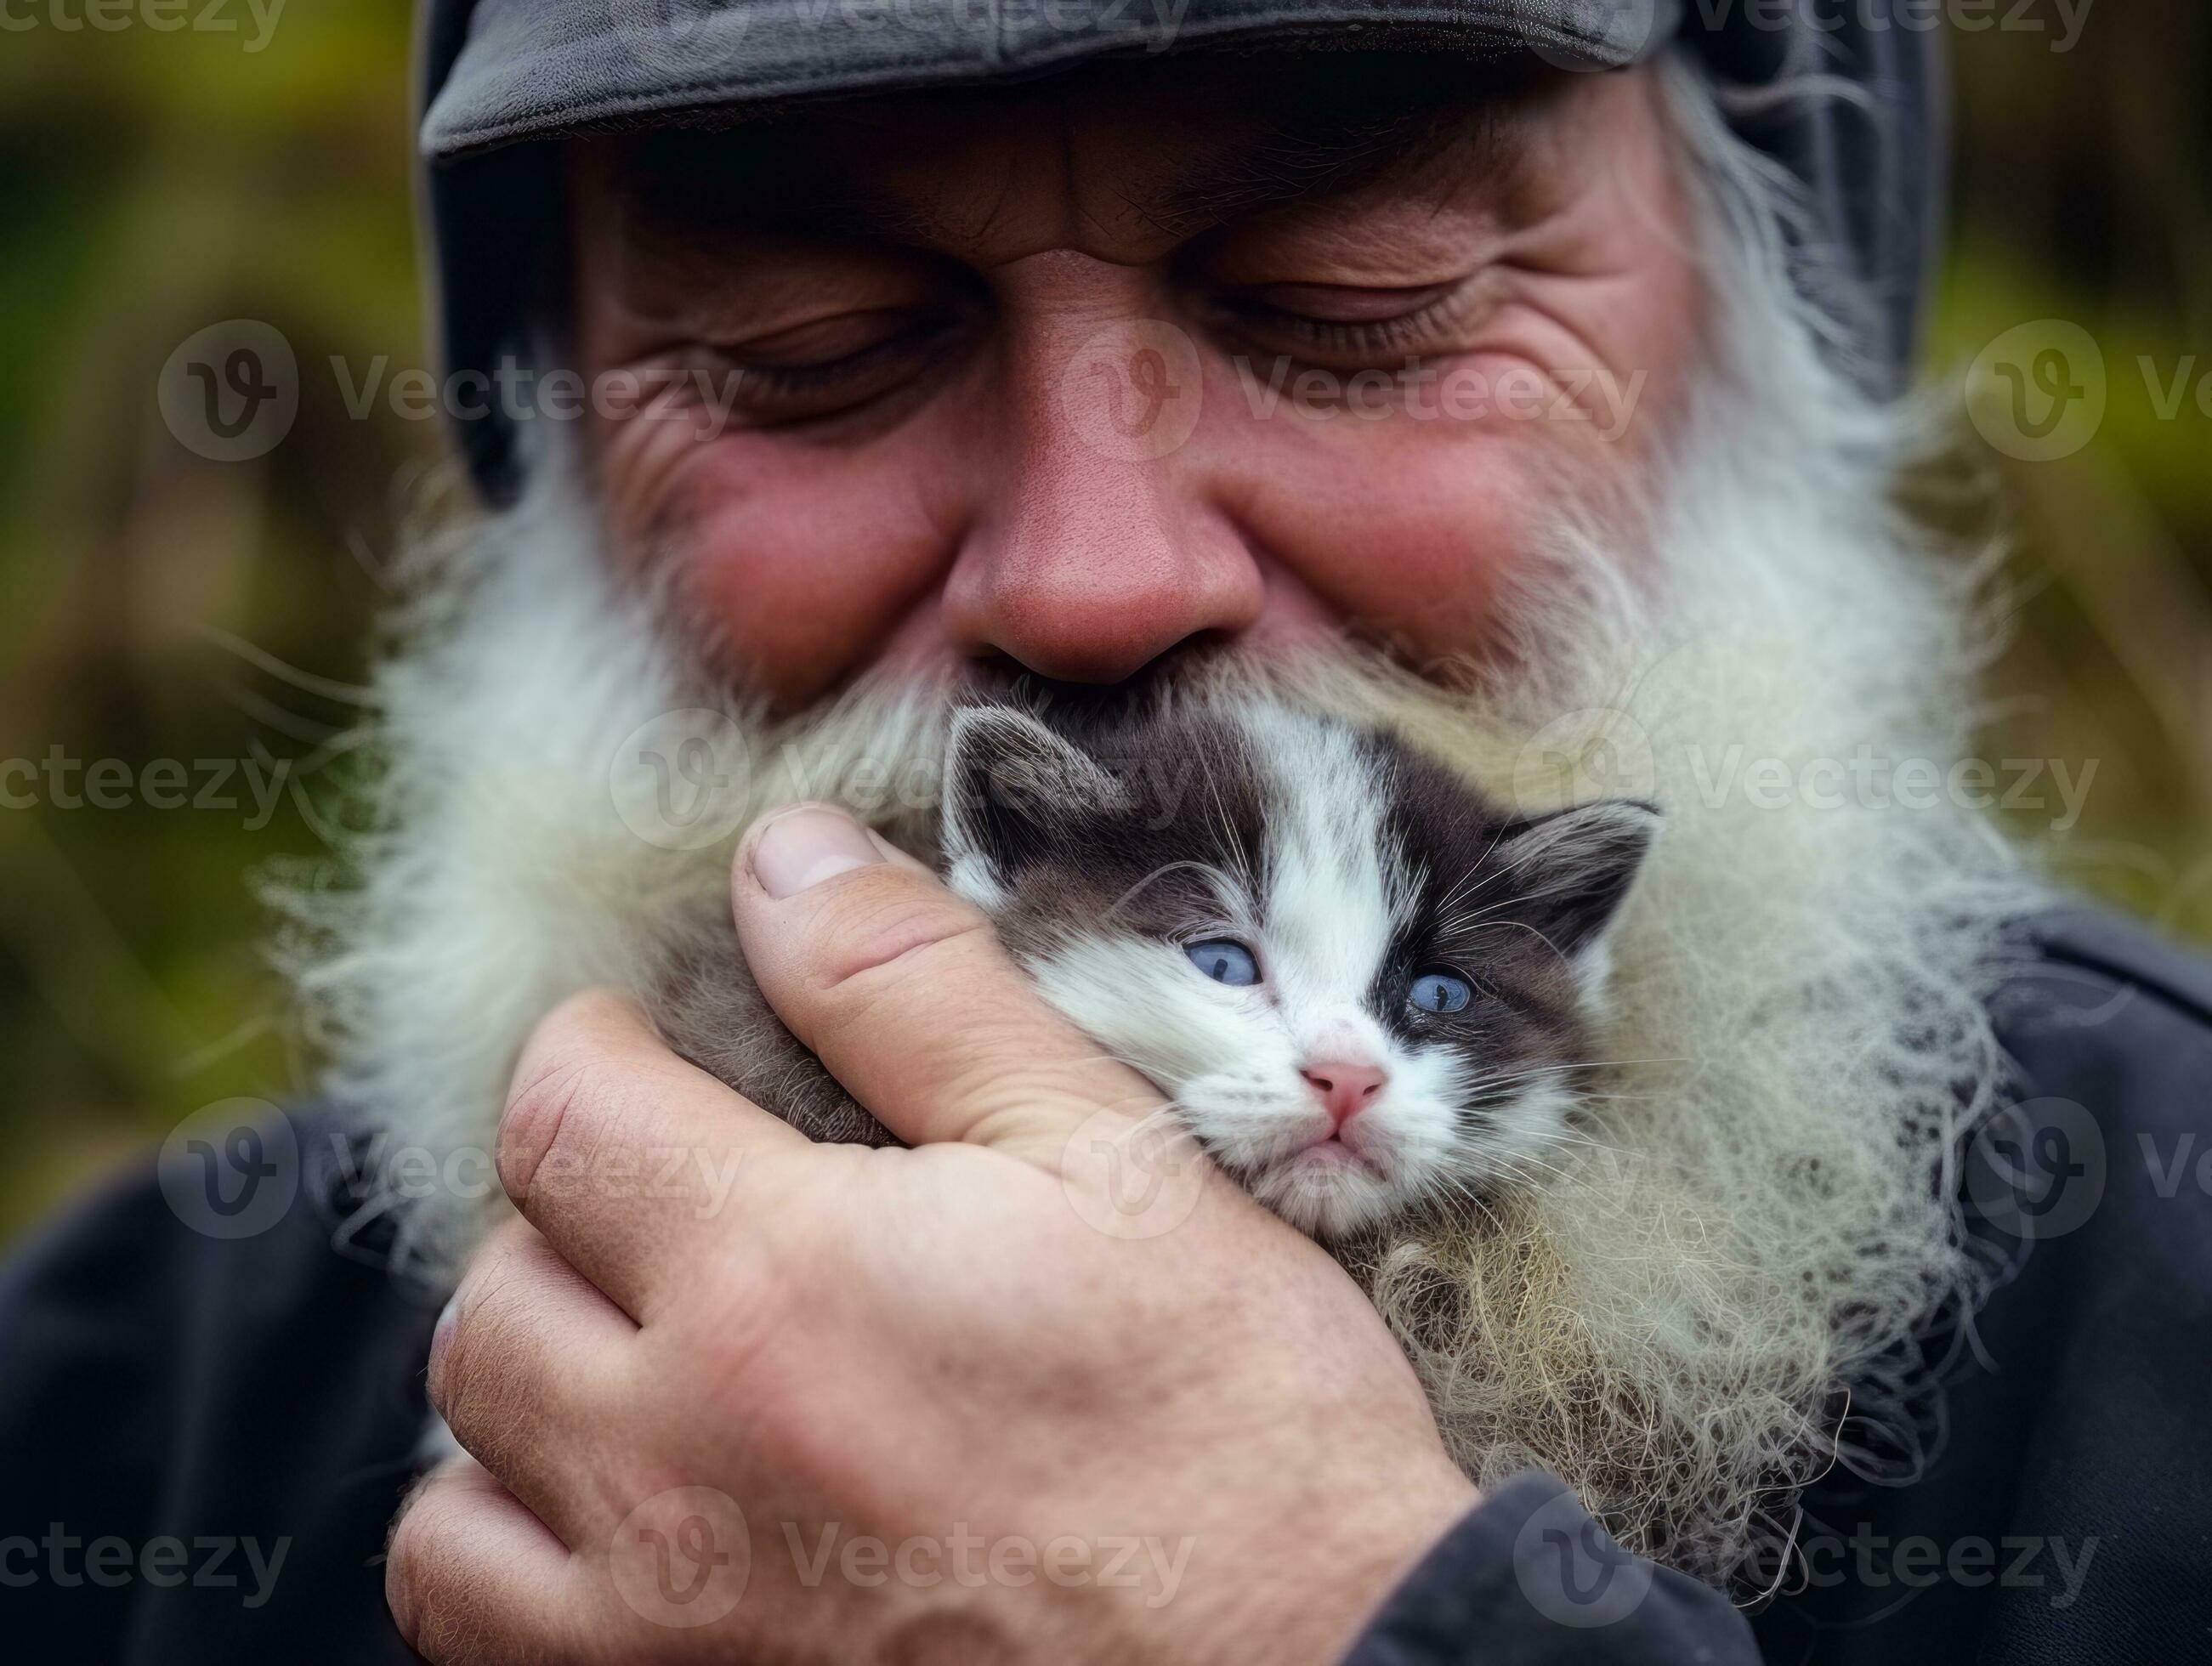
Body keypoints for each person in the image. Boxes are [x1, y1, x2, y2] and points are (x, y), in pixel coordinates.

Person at [5, 3, 2209, 1662]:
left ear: (1766, 313)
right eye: (811, 348)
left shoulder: (2161, 1335)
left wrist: (1347, 1622)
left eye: (1359, 305)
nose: (1088, 576)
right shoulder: (136, 1428)